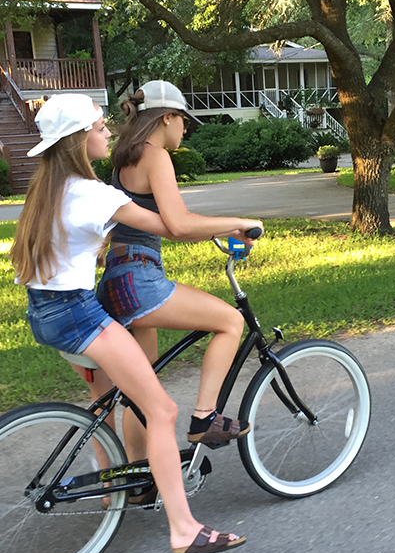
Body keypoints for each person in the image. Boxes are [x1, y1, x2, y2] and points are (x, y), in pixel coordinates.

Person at [10, 92, 245, 553]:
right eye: (99, 126)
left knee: (107, 401)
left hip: (43, 314)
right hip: (77, 314)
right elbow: (171, 226)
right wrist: (237, 223)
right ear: (78, 139)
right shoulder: (92, 193)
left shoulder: (49, 189)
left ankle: (115, 488)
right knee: (160, 410)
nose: (107, 131)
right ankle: (183, 529)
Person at [74, 80, 263, 476]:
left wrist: (217, 229)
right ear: (167, 118)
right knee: (230, 321)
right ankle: (205, 417)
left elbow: (161, 222)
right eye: (184, 122)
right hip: (139, 279)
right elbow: (177, 224)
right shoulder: (155, 154)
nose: (185, 130)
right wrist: (240, 222)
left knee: (143, 395)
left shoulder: (123, 157)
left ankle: (142, 478)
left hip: (114, 280)